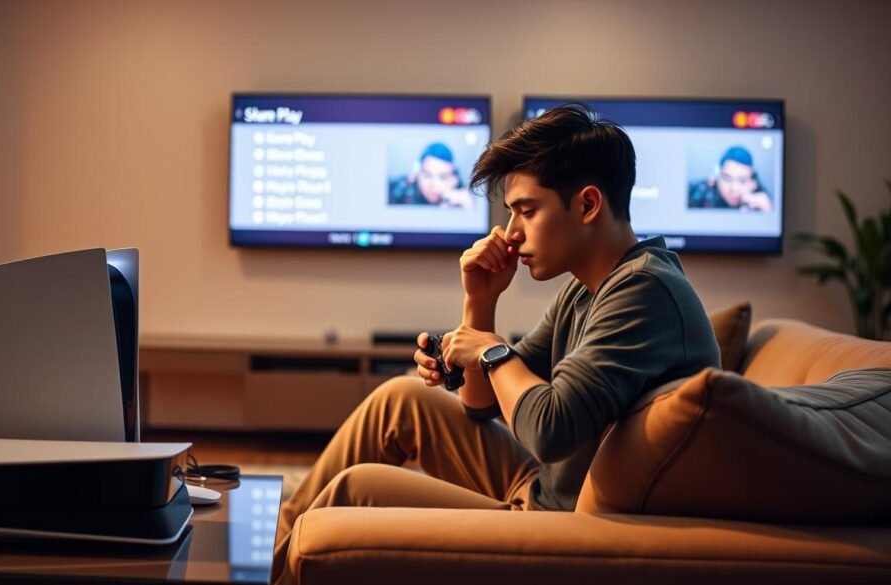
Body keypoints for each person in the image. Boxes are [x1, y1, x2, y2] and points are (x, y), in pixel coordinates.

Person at [271, 104, 721, 584]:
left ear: (588, 205)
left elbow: (550, 428)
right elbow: (480, 404)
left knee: (356, 489)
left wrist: (487, 348)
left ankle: (265, 572)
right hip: (545, 484)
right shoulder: (587, 286)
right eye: (511, 214)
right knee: (399, 399)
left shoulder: (644, 291)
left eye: (527, 211)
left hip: (565, 525)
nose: (510, 233)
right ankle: (267, 558)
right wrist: (479, 302)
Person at [388, 142, 475, 209]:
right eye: (427, 175)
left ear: (454, 180)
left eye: (443, 177)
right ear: (417, 175)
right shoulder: (399, 190)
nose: (434, 184)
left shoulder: (463, 201)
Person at [688, 145, 773, 212]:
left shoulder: (762, 202)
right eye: (727, 179)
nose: (734, 188)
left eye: (742, 180)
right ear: (716, 177)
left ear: (753, 183)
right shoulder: (697, 192)